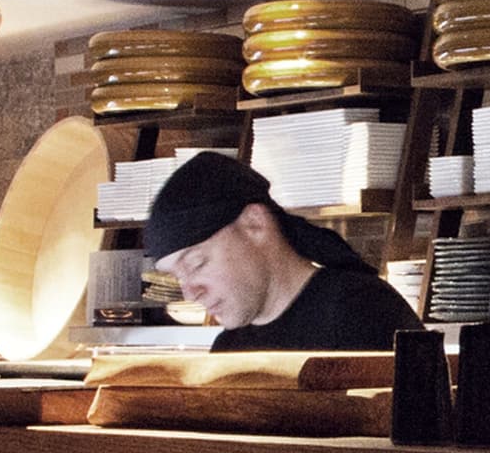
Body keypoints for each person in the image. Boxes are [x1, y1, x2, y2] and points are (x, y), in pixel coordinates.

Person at [142, 151, 422, 353]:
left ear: (254, 223)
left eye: (196, 263)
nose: (190, 293)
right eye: (177, 276)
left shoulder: (362, 313)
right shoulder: (227, 350)